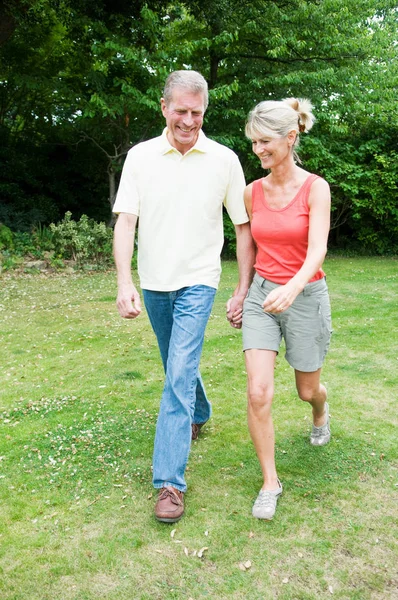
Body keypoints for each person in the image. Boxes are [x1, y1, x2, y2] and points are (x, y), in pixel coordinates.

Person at [112, 70, 254, 523]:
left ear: (205, 110)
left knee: (176, 375)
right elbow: (126, 222)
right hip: (154, 280)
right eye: (180, 111)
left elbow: (243, 226)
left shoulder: (226, 160)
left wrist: (241, 285)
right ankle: (202, 409)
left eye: (196, 112)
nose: (188, 120)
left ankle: (169, 483)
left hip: (199, 279)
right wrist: (124, 282)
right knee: (175, 363)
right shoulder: (139, 157)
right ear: (163, 107)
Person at [238, 98, 332, 521]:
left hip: (306, 296)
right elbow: (249, 244)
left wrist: (293, 288)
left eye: (265, 142)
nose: (258, 150)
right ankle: (270, 482)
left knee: (306, 390)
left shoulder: (316, 188)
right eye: (253, 142)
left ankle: (320, 412)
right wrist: (242, 292)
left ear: (290, 138)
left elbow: (318, 250)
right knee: (258, 391)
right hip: (262, 297)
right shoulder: (251, 192)